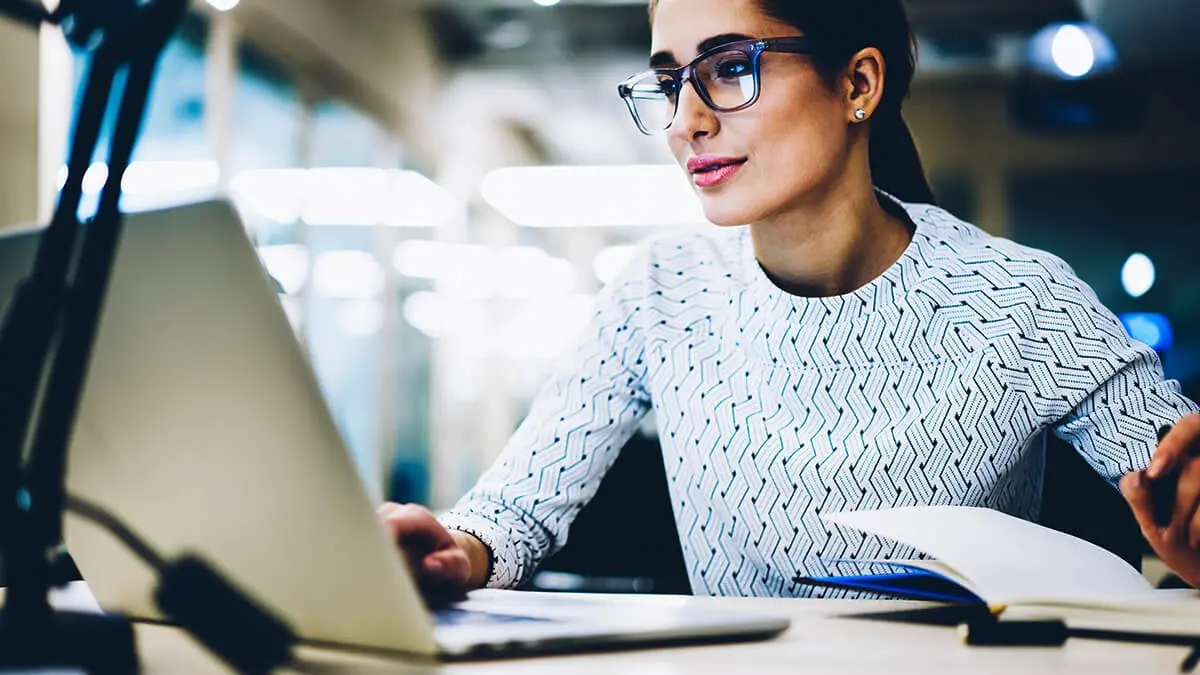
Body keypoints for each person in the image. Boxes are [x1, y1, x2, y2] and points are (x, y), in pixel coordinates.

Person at [379, 0, 1200, 600]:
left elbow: (1180, 484)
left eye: (730, 67)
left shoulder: (1020, 300)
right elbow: (516, 509)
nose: (687, 121)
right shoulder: (661, 292)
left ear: (859, 83)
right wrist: (458, 547)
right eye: (669, 81)